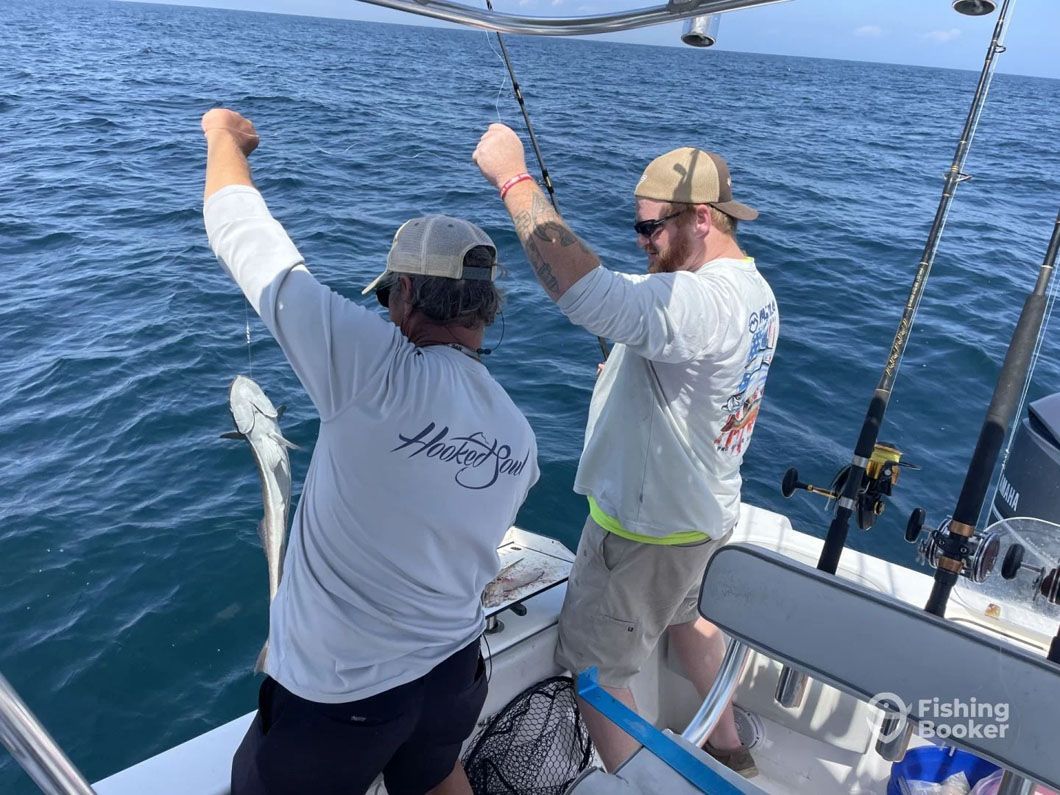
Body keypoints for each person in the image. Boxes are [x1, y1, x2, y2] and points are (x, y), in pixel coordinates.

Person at [201, 108, 539, 795]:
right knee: (438, 774)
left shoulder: (373, 369)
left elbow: (243, 234)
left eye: (387, 297)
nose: (385, 313)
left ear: (406, 292)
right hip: (452, 674)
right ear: (485, 309)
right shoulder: (519, 438)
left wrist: (222, 139)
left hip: (341, 696)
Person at [473, 124, 778, 777]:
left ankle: (650, 787)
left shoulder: (700, 298)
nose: (641, 243)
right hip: (705, 515)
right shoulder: (754, 291)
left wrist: (512, 179)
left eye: (651, 231)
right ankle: (731, 749)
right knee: (688, 622)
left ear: (701, 217)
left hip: (644, 534)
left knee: (595, 671)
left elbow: (587, 293)